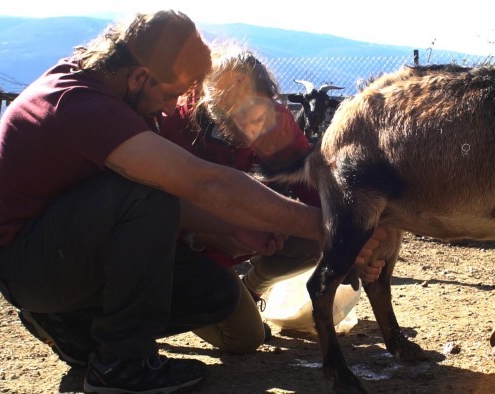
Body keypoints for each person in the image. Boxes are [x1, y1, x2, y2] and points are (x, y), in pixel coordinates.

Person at [0, 10, 385, 394]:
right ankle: (122, 366)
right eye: (170, 94)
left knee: (215, 292)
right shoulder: (83, 105)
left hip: (72, 253)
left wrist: (230, 227)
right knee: (147, 193)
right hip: (30, 267)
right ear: (140, 76)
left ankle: (74, 331)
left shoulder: (118, 91)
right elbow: (203, 184)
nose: (169, 107)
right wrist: (331, 228)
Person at [158, 48, 385, 351]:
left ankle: (250, 290)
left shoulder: (276, 121)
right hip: (183, 250)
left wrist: (352, 250)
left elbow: (314, 189)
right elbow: (151, 211)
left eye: (261, 114)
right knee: (246, 338)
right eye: (243, 121)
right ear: (215, 115)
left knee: (310, 240)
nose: (256, 131)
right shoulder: (172, 127)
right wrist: (207, 236)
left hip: (244, 236)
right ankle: (133, 326)